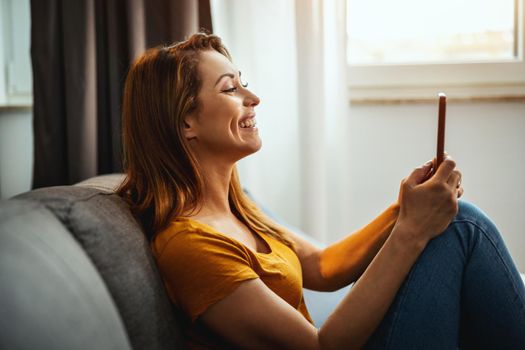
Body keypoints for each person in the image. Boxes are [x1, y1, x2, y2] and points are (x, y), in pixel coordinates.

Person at [117, 33, 525, 349]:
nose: (253, 98)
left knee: (458, 221)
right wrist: (412, 229)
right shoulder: (190, 246)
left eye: (245, 84)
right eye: (230, 89)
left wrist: (403, 207)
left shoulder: (238, 210)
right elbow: (321, 346)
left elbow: (325, 268)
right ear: (185, 122)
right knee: (463, 225)